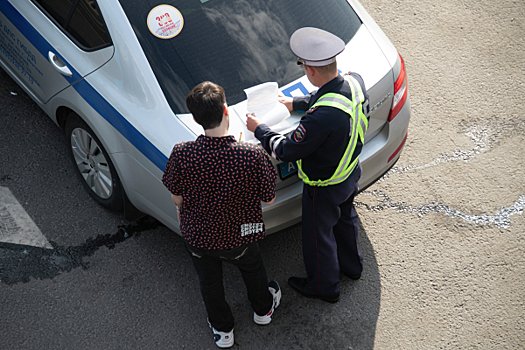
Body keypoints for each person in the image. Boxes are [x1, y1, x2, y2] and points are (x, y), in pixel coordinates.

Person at [246, 27, 370, 303]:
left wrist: (260, 130)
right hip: (350, 173)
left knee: (318, 235)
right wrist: (295, 103)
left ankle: (324, 286)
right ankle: (353, 267)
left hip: (324, 187)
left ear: (310, 71)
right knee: (346, 221)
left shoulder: (319, 120)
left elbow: (285, 150)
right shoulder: (355, 82)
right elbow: (330, 96)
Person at [162, 81, 281, 349]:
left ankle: (222, 330)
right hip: (243, 232)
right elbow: (269, 197)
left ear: (194, 118)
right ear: (226, 110)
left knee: (210, 282)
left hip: (198, 235)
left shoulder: (182, 153)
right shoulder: (251, 154)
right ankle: (263, 310)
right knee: (253, 268)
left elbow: (177, 198)